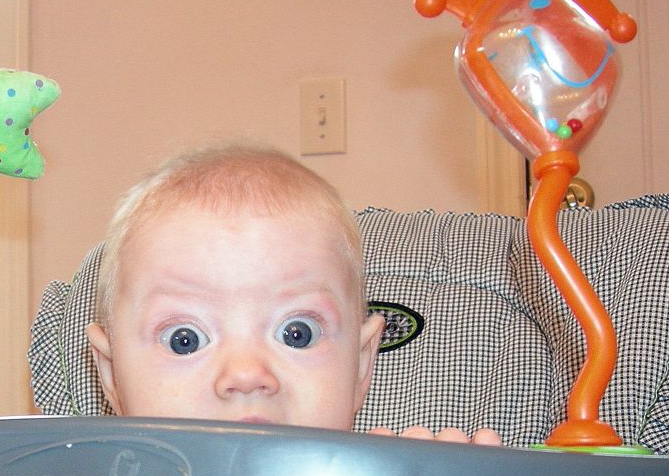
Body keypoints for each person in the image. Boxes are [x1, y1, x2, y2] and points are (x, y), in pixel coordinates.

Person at [85, 143, 501, 445]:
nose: (247, 375)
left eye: (296, 332)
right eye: (184, 340)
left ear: (359, 366)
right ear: (111, 373)